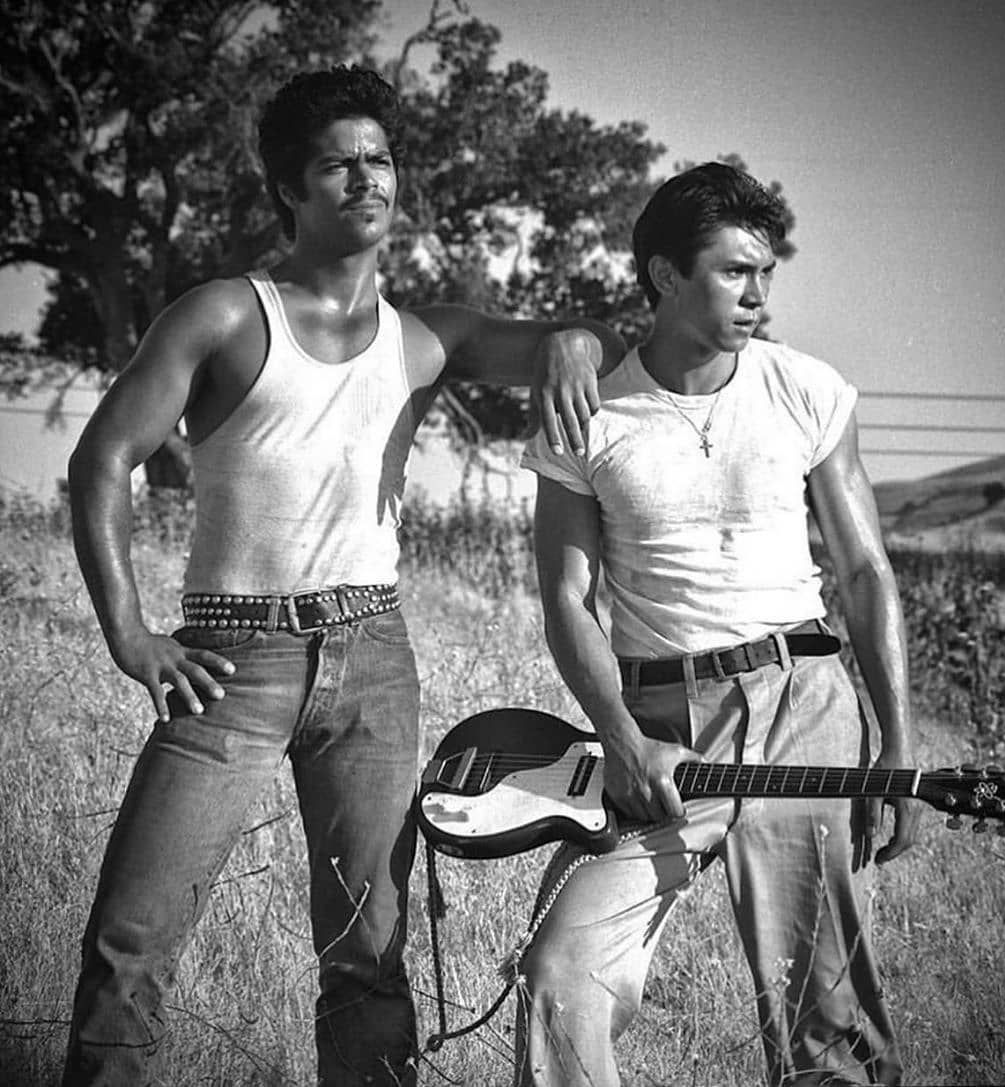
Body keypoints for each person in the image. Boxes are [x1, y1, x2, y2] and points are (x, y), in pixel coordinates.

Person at [62, 65, 623, 1087]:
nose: (367, 180)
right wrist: (131, 634)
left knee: (368, 958)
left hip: (374, 659)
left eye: (380, 161)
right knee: (128, 946)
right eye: (337, 165)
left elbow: (553, 345)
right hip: (232, 661)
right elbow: (100, 461)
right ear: (289, 188)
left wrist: (576, 335)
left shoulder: (423, 338)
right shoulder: (226, 315)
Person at [516, 162, 921, 1086]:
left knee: (825, 1020)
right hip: (658, 727)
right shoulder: (590, 418)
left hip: (803, 701)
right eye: (735, 271)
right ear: (665, 275)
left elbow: (862, 571)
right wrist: (618, 737)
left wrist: (895, 741)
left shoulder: (806, 389)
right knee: (559, 973)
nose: (758, 294)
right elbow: (568, 601)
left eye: (766, 273)